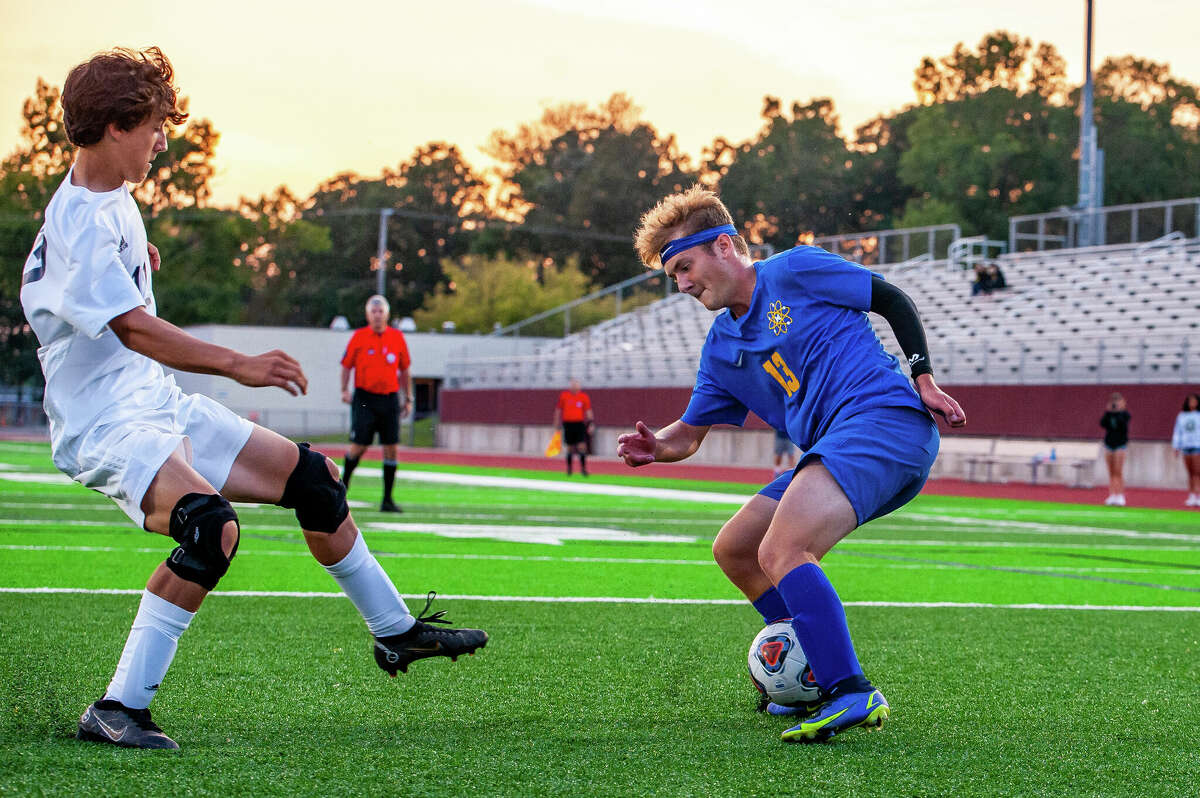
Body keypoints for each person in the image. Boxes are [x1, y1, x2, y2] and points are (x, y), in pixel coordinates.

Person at [20, 47, 486, 751]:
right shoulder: (81, 220)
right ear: (116, 125)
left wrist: (137, 264)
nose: (164, 138)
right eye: (154, 125)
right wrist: (239, 363)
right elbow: (133, 328)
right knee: (210, 528)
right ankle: (118, 708)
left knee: (315, 481)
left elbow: (103, 295)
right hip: (107, 423)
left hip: (155, 402)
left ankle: (396, 631)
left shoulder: (109, 194)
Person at [618, 186, 965, 744]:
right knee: (735, 549)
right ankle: (808, 672)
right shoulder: (719, 348)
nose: (681, 284)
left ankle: (850, 690)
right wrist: (656, 446)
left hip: (885, 422)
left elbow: (892, 298)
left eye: (684, 266)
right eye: (672, 275)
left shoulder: (795, 270)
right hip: (836, 448)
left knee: (782, 551)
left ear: (726, 246)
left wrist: (922, 377)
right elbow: (688, 434)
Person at [340, 295, 412, 512]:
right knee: (359, 446)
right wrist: (344, 389)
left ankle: (387, 500)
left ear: (387, 314)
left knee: (391, 448)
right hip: (365, 399)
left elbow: (405, 369)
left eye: (381, 311)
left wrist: (407, 398)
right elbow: (346, 366)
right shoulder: (359, 337)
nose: (378, 315)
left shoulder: (397, 337)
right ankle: (340, 492)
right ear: (368, 314)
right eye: (374, 311)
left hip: (389, 398)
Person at [553, 379, 595, 476]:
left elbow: (588, 411)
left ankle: (583, 469)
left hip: (579, 424)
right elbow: (558, 410)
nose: (574, 386)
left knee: (582, 446)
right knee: (570, 448)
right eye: (572, 385)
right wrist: (556, 422)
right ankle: (569, 469)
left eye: (576, 385)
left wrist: (591, 423)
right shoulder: (564, 396)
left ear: (579, 386)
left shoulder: (583, 397)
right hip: (568, 424)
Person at [1099, 393, 1131, 506]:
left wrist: (1118, 412)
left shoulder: (1125, 414)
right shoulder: (1109, 414)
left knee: (1118, 471)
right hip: (1109, 444)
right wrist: (1108, 412)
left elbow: (1123, 426)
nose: (1115, 403)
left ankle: (1120, 495)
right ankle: (1112, 494)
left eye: (1118, 401)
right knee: (1111, 472)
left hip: (1120, 444)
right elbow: (1102, 423)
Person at [1172, 393, 1200, 507]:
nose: (1192, 403)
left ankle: (1198, 495)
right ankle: (1192, 495)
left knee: (1197, 472)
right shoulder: (1182, 416)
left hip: (1197, 446)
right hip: (1186, 446)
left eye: (1194, 401)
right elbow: (1177, 431)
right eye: (1190, 401)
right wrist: (1176, 446)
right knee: (1190, 473)